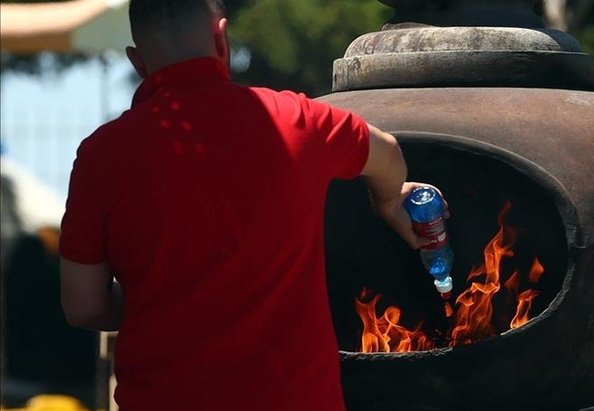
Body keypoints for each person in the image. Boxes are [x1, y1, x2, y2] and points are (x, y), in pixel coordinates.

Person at [58, 1, 437, 409]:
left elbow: (83, 306)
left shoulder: (101, 156)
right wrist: (388, 200)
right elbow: (388, 155)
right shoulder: (297, 120)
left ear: (137, 62)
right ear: (221, 38)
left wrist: (165, 300)